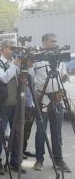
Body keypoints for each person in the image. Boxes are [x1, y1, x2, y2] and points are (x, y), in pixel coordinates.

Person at [33, 33, 71, 172]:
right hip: (42, 99)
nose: (55, 43)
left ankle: (59, 160)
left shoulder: (60, 59)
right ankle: (39, 160)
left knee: (57, 133)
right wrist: (35, 92)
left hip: (57, 99)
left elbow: (63, 75)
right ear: (44, 43)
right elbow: (30, 77)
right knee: (41, 132)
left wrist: (66, 77)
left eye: (56, 41)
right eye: (52, 41)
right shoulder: (38, 59)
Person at [0, 40, 25, 174]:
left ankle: (15, 162)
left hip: (16, 104)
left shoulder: (14, 62)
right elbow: (4, 78)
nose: (13, 50)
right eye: (11, 48)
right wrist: (15, 65)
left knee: (17, 134)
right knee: (0, 134)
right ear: (3, 48)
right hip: (3, 105)